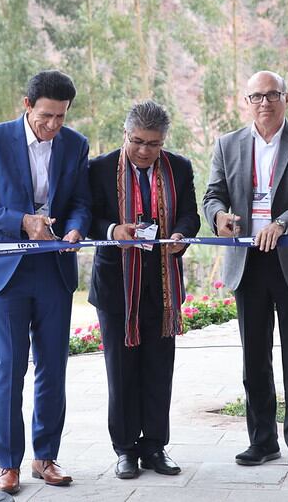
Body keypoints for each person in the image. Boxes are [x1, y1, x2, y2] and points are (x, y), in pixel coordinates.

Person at [0, 70, 91, 494]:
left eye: (61, 116)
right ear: (26, 105)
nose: (53, 125)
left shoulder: (75, 144)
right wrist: (23, 222)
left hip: (55, 269)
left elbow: (81, 202)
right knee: (10, 367)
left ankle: (45, 457)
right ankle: (8, 464)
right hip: (7, 271)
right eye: (45, 116)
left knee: (53, 366)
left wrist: (75, 229)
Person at [202, 71, 288, 479]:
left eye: (272, 94)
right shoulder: (227, 145)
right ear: (247, 101)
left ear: (286, 98)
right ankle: (262, 441)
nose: (264, 102)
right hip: (248, 264)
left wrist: (283, 223)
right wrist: (219, 217)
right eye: (256, 96)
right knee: (254, 359)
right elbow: (212, 196)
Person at [88, 100, 200, 480]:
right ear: (125, 134)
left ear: (163, 141)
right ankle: (125, 450)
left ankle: (154, 446)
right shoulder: (100, 168)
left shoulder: (179, 168)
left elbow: (190, 214)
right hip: (116, 288)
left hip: (162, 287)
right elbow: (88, 216)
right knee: (121, 373)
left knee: (158, 371)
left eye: (153, 144)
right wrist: (112, 230)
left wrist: (181, 235)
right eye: (137, 141)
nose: (144, 151)